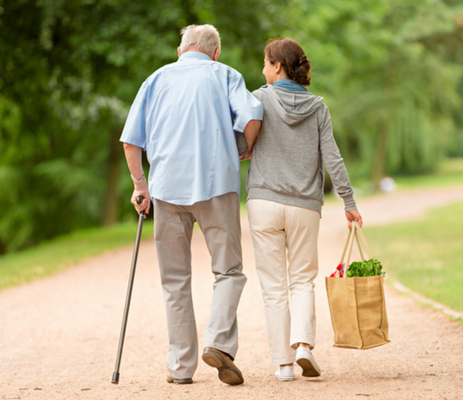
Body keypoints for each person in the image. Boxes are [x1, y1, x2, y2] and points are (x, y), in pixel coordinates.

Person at [120, 24, 262, 386]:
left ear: (181, 50)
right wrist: (242, 150)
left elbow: (131, 142)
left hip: (167, 189)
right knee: (229, 271)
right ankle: (218, 343)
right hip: (216, 185)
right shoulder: (226, 75)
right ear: (215, 52)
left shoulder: (156, 79)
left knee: (174, 280)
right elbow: (253, 116)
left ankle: (181, 367)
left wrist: (141, 185)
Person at [246, 38, 362, 382]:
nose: (263, 69)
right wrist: (349, 202)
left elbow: (241, 143)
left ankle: (283, 365)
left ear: (278, 66)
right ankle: (304, 348)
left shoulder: (258, 99)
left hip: (264, 203)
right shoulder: (318, 108)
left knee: (273, 285)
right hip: (304, 207)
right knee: (301, 281)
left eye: (266, 63)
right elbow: (333, 159)